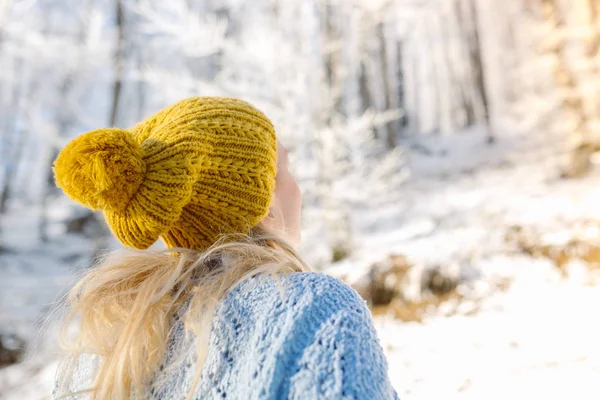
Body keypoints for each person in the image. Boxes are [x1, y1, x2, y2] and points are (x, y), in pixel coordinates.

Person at [51, 97, 398, 399]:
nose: (299, 190)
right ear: (263, 200)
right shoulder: (315, 307)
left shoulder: (106, 348)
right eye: (284, 171)